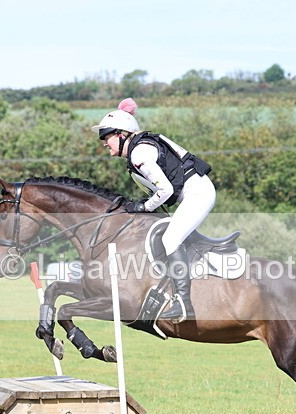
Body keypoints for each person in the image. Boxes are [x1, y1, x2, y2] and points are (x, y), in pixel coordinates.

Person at [91, 98, 216, 323]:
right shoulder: (139, 148)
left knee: (170, 239)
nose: (103, 143)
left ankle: (183, 303)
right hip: (193, 192)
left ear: (121, 134)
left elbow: (165, 190)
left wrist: (144, 206)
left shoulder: (139, 154)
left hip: (198, 193)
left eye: (106, 136)